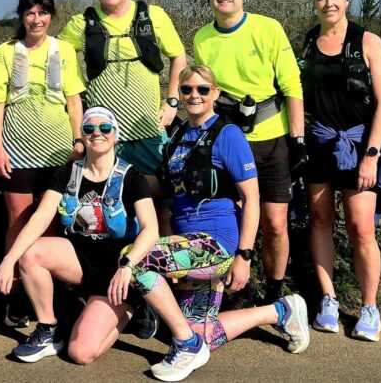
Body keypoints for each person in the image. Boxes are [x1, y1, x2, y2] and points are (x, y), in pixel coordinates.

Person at [130, 65, 310, 381]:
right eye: (186, 89)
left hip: (216, 243)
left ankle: (186, 346)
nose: (193, 95)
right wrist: (117, 174)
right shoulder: (177, 136)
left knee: (138, 259)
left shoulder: (228, 134)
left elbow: (251, 199)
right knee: (203, 333)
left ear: (215, 93)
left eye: (202, 89)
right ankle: (281, 312)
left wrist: (244, 257)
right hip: (186, 244)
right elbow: (166, 191)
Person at [59, 0, 187, 336]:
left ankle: (157, 295)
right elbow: (58, 57)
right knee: (103, 215)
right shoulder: (81, 23)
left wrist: (172, 101)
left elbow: (178, 56)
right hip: (104, 137)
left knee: (159, 214)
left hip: (149, 131)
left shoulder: (154, 15)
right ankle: (115, 293)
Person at [0, 107, 159, 365]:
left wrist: (128, 265)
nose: (97, 134)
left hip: (117, 270)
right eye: (89, 129)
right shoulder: (68, 172)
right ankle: (48, 330)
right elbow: (40, 218)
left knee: (80, 353)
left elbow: (151, 229)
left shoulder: (132, 177)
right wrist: (8, 260)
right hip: (79, 261)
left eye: (105, 128)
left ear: (115, 134)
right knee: (30, 252)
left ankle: (132, 307)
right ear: (82, 135)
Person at [299, 0, 381, 342]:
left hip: (359, 146)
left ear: (346, 0)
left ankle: (369, 307)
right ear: (315, 2)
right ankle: (328, 299)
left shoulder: (367, 41)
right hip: (320, 144)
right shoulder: (309, 42)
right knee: (320, 220)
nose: (328, 3)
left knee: (360, 228)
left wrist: (372, 155)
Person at [192, 0, 305, 303]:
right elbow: (205, 94)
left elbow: (291, 84)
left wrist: (298, 139)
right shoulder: (202, 39)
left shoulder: (268, 28)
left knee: (274, 223)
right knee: (231, 219)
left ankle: (275, 290)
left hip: (272, 139)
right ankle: (234, 288)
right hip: (228, 140)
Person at [0, 0, 86, 327]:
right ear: (22, 17)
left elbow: (74, 99)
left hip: (59, 149)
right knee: (18, 220)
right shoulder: (4, 52)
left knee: (55, 220)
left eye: (42, 13)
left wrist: (78, 140)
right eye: (30, 13)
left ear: (50, 17)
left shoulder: (65, 50)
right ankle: (15, 292)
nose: (36, 19)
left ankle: (50, 291)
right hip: (17, 148)